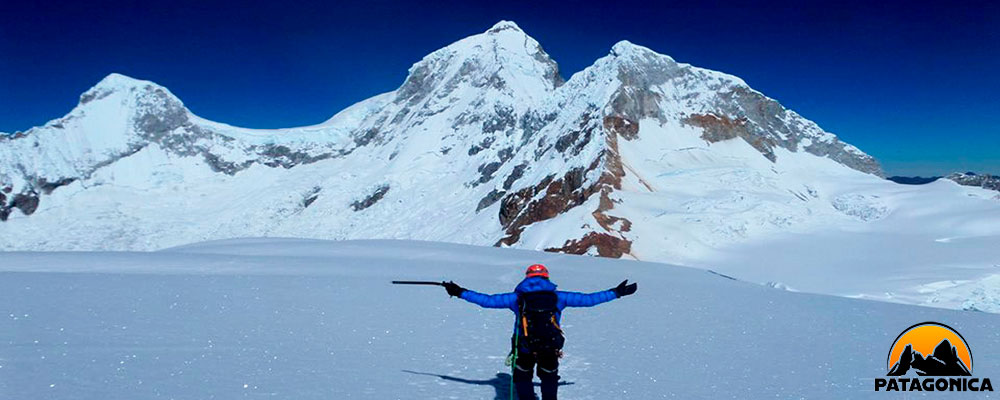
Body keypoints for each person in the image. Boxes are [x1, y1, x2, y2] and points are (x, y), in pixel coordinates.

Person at [442, 264, 637, 400]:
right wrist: (616, 292)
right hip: (550, 346)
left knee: (523, 377)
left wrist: (459, 291)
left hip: (524, 346)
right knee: (549, 377)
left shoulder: (516, 299)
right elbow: (589, 299)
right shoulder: (558, 297)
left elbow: (487, 301)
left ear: (527, 278)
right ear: (546, 277)